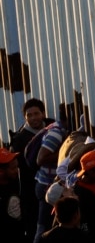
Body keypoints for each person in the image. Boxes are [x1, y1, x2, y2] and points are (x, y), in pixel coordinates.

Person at [10, 100, 53, 243]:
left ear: (43, 114)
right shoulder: (19, 140)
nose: (34, 118)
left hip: (52, 186)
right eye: (29, 115)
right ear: (25, 117)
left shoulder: (52, 127)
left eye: (36, 113)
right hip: (31, 192)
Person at [1, 147, 27, 243]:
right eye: (13, 168)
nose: (17, 171)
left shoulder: (15, 182)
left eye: (17, 167)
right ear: (1, 171)